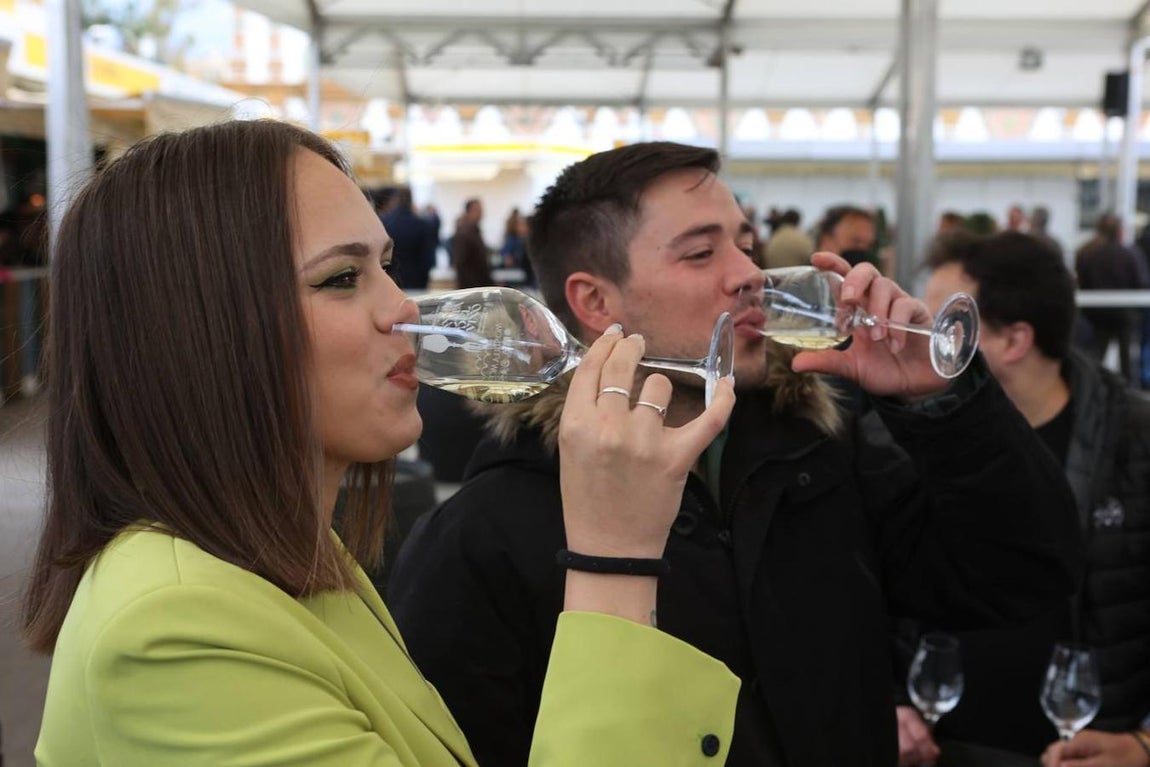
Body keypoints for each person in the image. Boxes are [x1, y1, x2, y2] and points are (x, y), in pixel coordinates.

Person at [21, 120, 742, 766]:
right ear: (203, 331)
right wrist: (611, 556)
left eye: (386, 264)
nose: (402, 308)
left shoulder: (294, 555)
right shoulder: (171, 631)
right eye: (342, 277)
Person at [387, 141, 1083, 767]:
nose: (748, 271)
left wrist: (942, 404)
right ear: (594, 301)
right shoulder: (489, 528)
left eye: (745, 242)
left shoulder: (816, 452)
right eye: (701, 252)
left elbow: (1024, 575)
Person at [894, 231, 1150, 763]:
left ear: (1013, 342)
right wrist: (889, 702)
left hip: (1082, 749)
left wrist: (1144, 744)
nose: (918, 339)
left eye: (944, 325)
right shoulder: (901, 429)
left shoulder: (1135, 440)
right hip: (937, 748)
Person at [1075, 214, 1142, 383]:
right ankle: (1130, 393)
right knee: (1126, 359)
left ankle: (1093, 391)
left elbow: (1080, 282)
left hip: (1096, 315)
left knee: (1095, 358)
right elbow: (1141, 282)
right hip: (1124, 314)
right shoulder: (1128, 254)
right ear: (1120, 231)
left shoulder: (1086, 251)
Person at [381, 186, 435, 290]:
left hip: (392, 279)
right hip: (416, 278)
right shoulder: (421, 224)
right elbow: (427, 258)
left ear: (395, 199)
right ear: (411, 199)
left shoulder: (385, 222)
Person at [453, 197, 493, 288]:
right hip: (471, 287)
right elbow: (461, 263)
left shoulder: (475, 231)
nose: (481, 212)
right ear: (469, 211)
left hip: (479, 285)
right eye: (477, 210)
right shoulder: (465, 233)